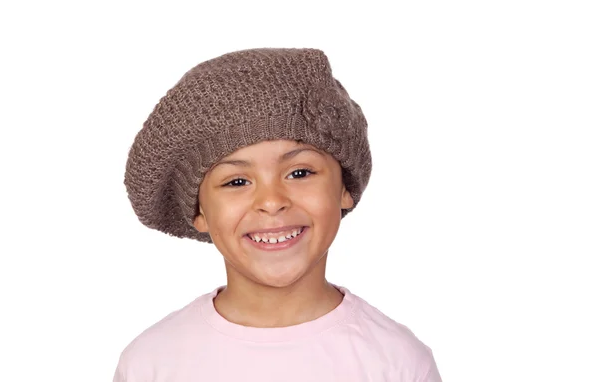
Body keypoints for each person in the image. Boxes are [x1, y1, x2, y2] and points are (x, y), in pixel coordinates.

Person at [115, 47, 442, 381]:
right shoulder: (152, 364)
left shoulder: (397, 363)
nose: (271, 202)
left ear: (345, 187)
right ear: (199, 212)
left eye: (300, 173)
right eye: (237, 181)